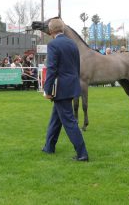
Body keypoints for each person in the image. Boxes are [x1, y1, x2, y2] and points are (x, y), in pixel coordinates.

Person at [42, 18, 89, 162]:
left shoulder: (53, 45)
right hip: (71, 86)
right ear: (62, 29)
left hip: (60, 88)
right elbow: (77, 67)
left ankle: (82, 154)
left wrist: (47, 90)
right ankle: (49, 147)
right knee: (55, 119)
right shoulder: (73, 44)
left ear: (51, 31)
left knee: (69, 121)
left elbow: (51, 69)